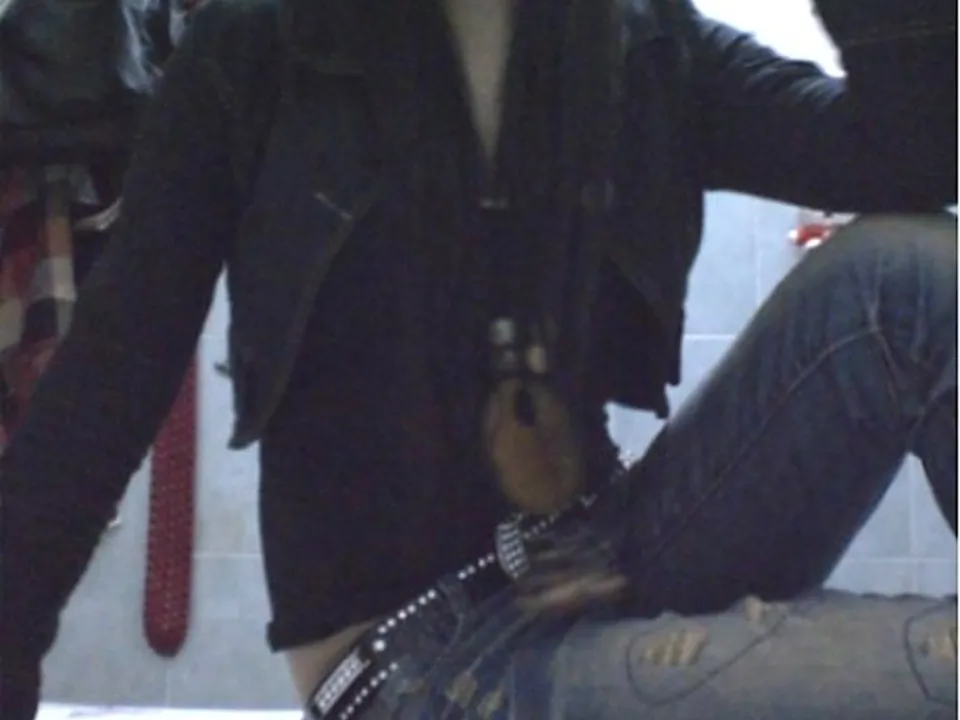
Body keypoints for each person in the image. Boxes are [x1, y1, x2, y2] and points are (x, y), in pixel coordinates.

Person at [1, 0, 956, 717]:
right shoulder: (260, 48)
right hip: (412, 660)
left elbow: (912, 156)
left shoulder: (639, 40)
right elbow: (102, 391)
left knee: (908, 279)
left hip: (604, 558)